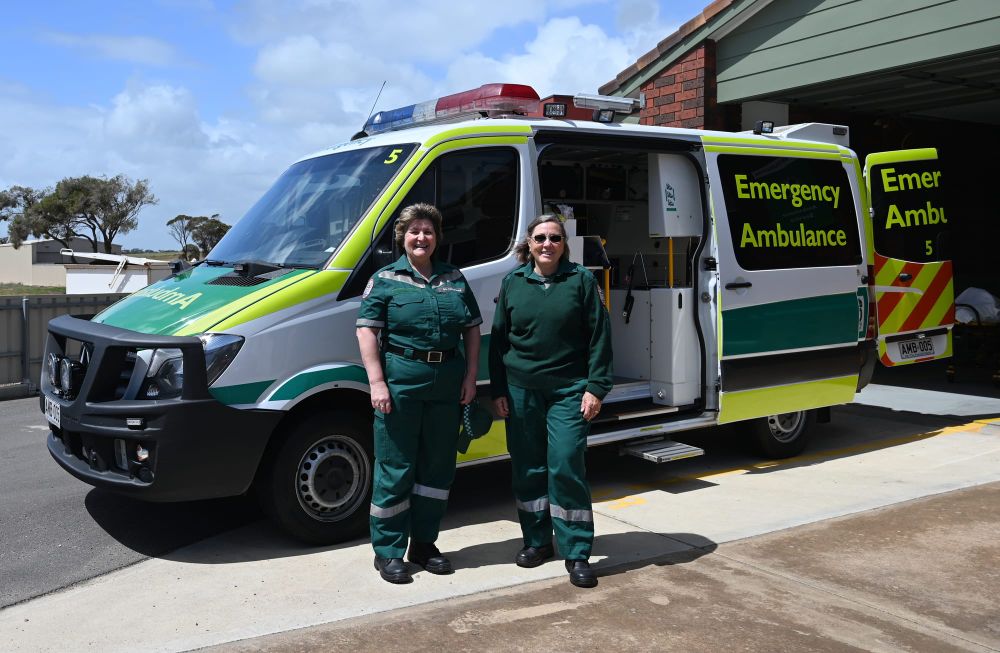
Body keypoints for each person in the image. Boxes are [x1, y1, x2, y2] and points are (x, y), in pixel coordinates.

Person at [356, 203, 482, 584]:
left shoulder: (454, 278)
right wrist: (377, 382)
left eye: (428, 231)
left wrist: (471, 377)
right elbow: (366, 331)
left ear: (437, 237)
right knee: (396, 465)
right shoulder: (386, 278)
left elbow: (472, 329)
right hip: (401, 381)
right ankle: (389, 551)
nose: (421, 238)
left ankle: (425, 545)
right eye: (414, 231)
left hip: (447, 380)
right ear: (403, 237)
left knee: (437, 466)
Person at [489, 214, 612, 588]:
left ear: (564, 243)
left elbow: (599, 336)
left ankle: (576, 552)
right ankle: (537, 542)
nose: (547, 244)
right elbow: (499, 341)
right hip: (521, 389)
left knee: (564, 463)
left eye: (555, 238)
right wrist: (498, 390)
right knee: (528, 467)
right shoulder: (513, 282)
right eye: (540, 237)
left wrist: (596, 387)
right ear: (529, 243)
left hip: (569, 389)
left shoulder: (581, 280)